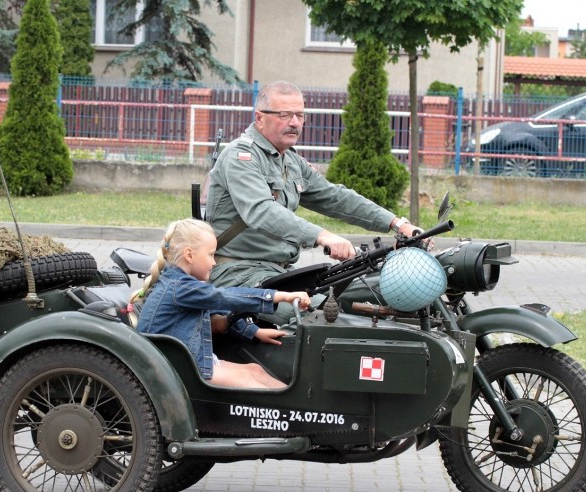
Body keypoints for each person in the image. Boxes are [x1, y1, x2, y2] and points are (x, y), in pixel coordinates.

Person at [205, 80, 427, 304]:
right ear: (260, 118)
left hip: (275, 272)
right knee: (316, 320)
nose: (294, 123)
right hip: (237, 274)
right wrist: (322, 236)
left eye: (300, 115)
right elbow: (261, 210)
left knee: (358, 299)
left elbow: (335, 197)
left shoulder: (289, 160)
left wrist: (398, 224)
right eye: (284, 115)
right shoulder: (241, 156)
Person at [133, 218, 311, 390]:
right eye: (211, 255)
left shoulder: (182, 285)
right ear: (189, 255)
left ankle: (301, 410)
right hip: (174, 370)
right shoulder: (179, 288)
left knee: (254, 370)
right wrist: (280, 296)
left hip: (189, 361)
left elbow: (217, 313)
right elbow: (224, 297)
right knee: (253, 385)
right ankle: (296, 415)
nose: (214, 262)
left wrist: (254, 331)